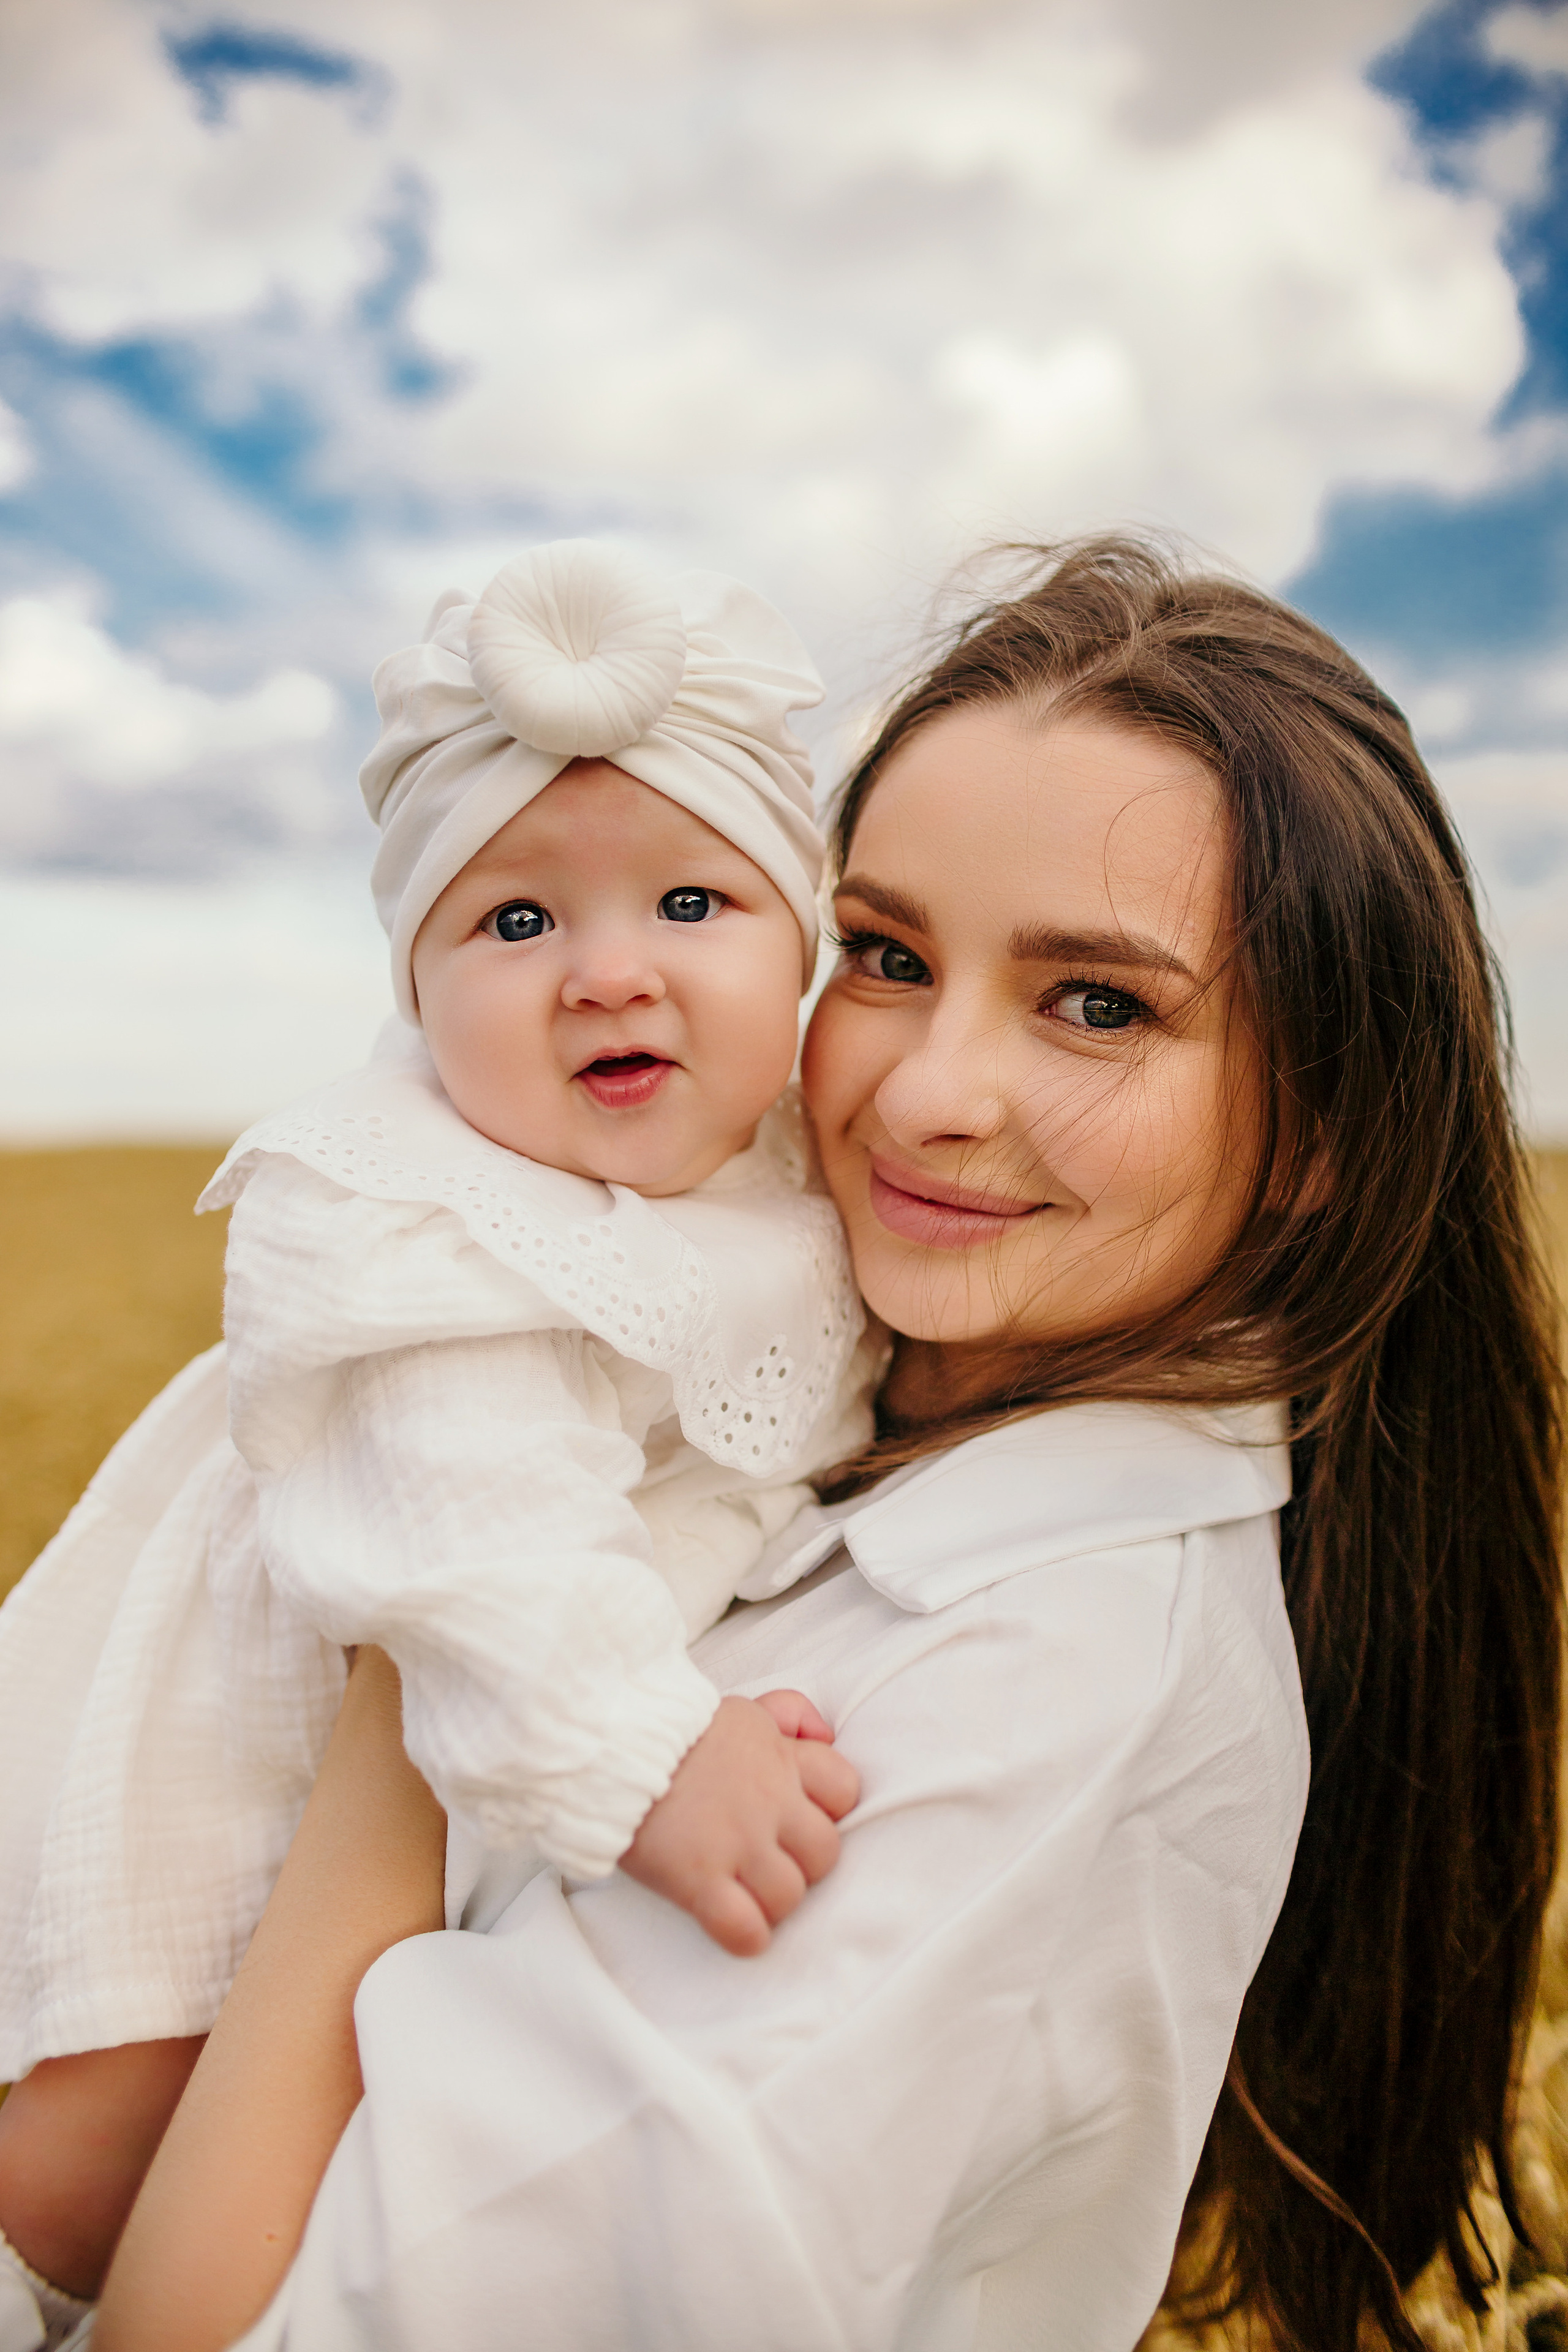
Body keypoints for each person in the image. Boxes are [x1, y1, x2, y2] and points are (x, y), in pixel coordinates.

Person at [82, 537, 1568, 2351]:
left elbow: (215, 2331)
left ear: (1329, 1126)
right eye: (883, 954)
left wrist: (416, 1656)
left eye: (1098, 1004)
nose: (927, 1096)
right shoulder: (803, 1384)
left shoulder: (1043, 1698)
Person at [0, 540, 883, 2346]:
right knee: (87, 2156)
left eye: (692, 906)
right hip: (241, 1794)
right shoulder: (418, 1219)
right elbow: (478, 1541)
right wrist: (644, 1758)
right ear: (415, 991)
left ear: (806, 948)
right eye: (516, 921)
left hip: (394, 1864)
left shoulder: (793, 1189)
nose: (606, 974)